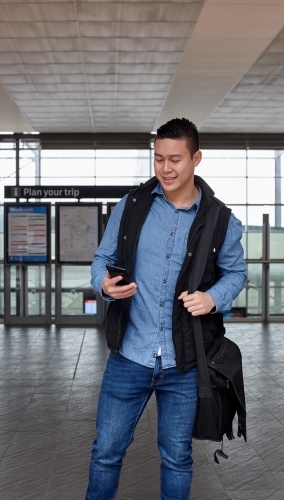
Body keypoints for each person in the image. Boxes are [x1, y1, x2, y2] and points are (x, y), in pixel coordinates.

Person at [85, 118, 247, 500]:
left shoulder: (222, 220)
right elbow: (102, 258)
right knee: (106, 453)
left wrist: (213, 298)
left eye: (175, 159)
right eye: (159, 159)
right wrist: (103, 285)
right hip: (129, 355)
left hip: (185, 362)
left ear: (196, 158)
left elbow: (236, 274)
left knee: (176, 457)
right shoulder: (132, 206)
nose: (166, 168)